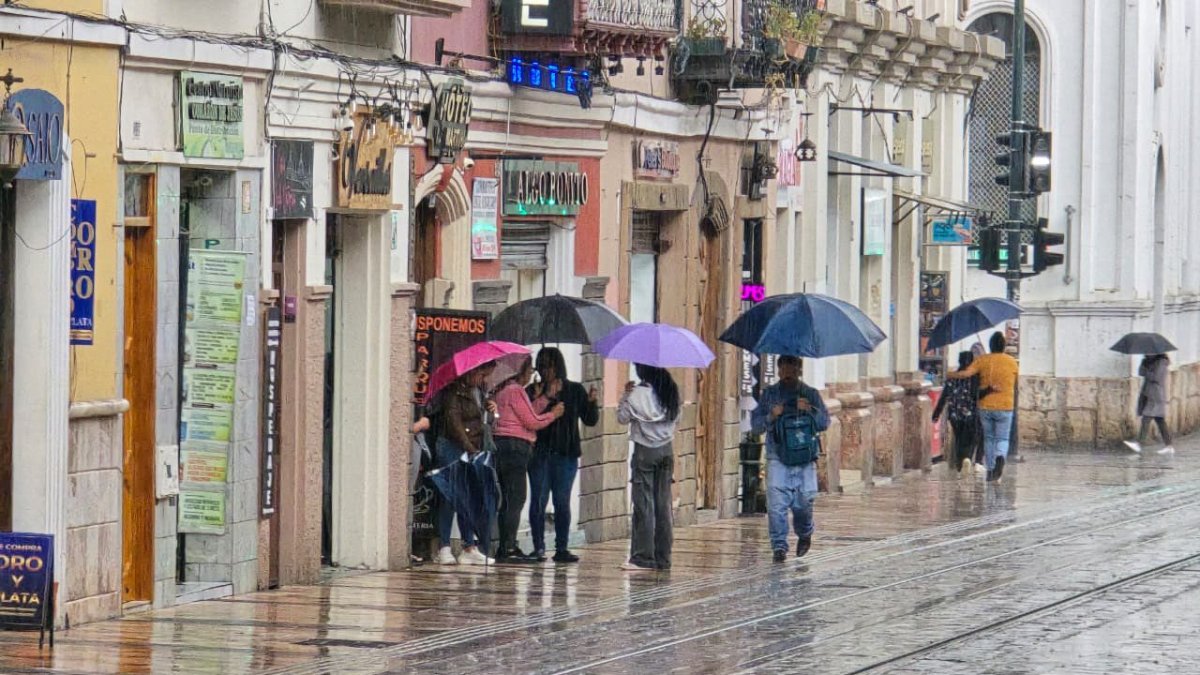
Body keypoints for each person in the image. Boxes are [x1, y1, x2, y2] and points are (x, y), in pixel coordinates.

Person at [750, 356, 830, 563]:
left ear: (799, 370)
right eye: (783, 370)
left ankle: (805, 532)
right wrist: (772, 416)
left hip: (805, 458)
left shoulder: (810, 394)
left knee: (803, 503)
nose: (787, 374)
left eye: (792, 370)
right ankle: (779, 546)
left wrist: (810, 410)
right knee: (776, 506)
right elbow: (756, 426)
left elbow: (824, 422)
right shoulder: (769, 395)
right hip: (777, 456)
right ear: (778, 371)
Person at [527, 348, 600, 563]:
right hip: (540, 454)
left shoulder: (574, 390)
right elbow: (527, 417)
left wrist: (592, 402)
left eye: (549, 366)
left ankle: (561, 547)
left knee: (562, 501)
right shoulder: (533, 390)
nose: (544, 371)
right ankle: (538, 547)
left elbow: (590, 420)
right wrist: (543, 398)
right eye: (541, 366)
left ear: (557, 367)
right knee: (538, 500)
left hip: (566, 454)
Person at [493, 358, 564, 563]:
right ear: (521, 371)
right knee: (516, 498)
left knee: (509, 498)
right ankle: (508, 547)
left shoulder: (504, 390)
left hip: (504, 446)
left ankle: (507, 545)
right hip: (514, 447)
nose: (532, 374)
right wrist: (553, 414)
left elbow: (525, 413)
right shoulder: (515, 390)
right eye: (531, 369)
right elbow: (532, 421)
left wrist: (545, 398)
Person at [617, 364, 680, 571]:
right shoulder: (670, 391)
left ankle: (643, 556)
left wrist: (625, 395)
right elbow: (677, 418)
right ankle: (663, 556)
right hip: (666, 450)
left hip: (644, 450)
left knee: (644, 503)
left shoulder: (636, 394)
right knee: (663, 504)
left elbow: (622, 418)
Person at [435, 362, 497, 566]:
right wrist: (470, 449)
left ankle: (469, 546)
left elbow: (483, 423)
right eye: (482, 374)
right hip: (453, 447)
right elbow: (455, 424)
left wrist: (491, 410)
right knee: (449, 496)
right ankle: (444, 546)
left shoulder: (479, 392)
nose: (484, 379)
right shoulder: (454, 392)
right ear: (471, 371)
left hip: (471, 448)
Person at [949, 331, 1018, 482]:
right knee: (1002, 438)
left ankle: (991, 469)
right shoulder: (1012, 362)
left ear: (991, 345)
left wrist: (949, 374)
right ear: (1003, 346)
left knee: (989, 438)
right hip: (1005, 406)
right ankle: (1000, 457)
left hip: (986, 406)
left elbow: (965, 374)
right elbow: (1015, 380)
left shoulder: (982, 360)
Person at [933, 351, 982, 473]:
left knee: (959, 438)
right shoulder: (974, 377)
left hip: (954, 415)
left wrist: (936, 413)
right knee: (971, 438)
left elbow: (944, 396)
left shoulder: (952, 377)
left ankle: (960, 464)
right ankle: (967, 458)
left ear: (959, 361)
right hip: (970, 414)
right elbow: (976, 395)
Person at [1124, 353, 1174, 455]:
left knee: (1146, 417)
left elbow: (1156, 377)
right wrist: (1144, 363)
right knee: (1160, 421)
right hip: (1149, 393)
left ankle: (1139, 443)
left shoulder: (1162, 362)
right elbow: (1140, 372)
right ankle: (1169, 446)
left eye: (1148, 352)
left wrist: (1147, 371)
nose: (1146, 354)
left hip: (1156, 395)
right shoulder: (1147, 361)